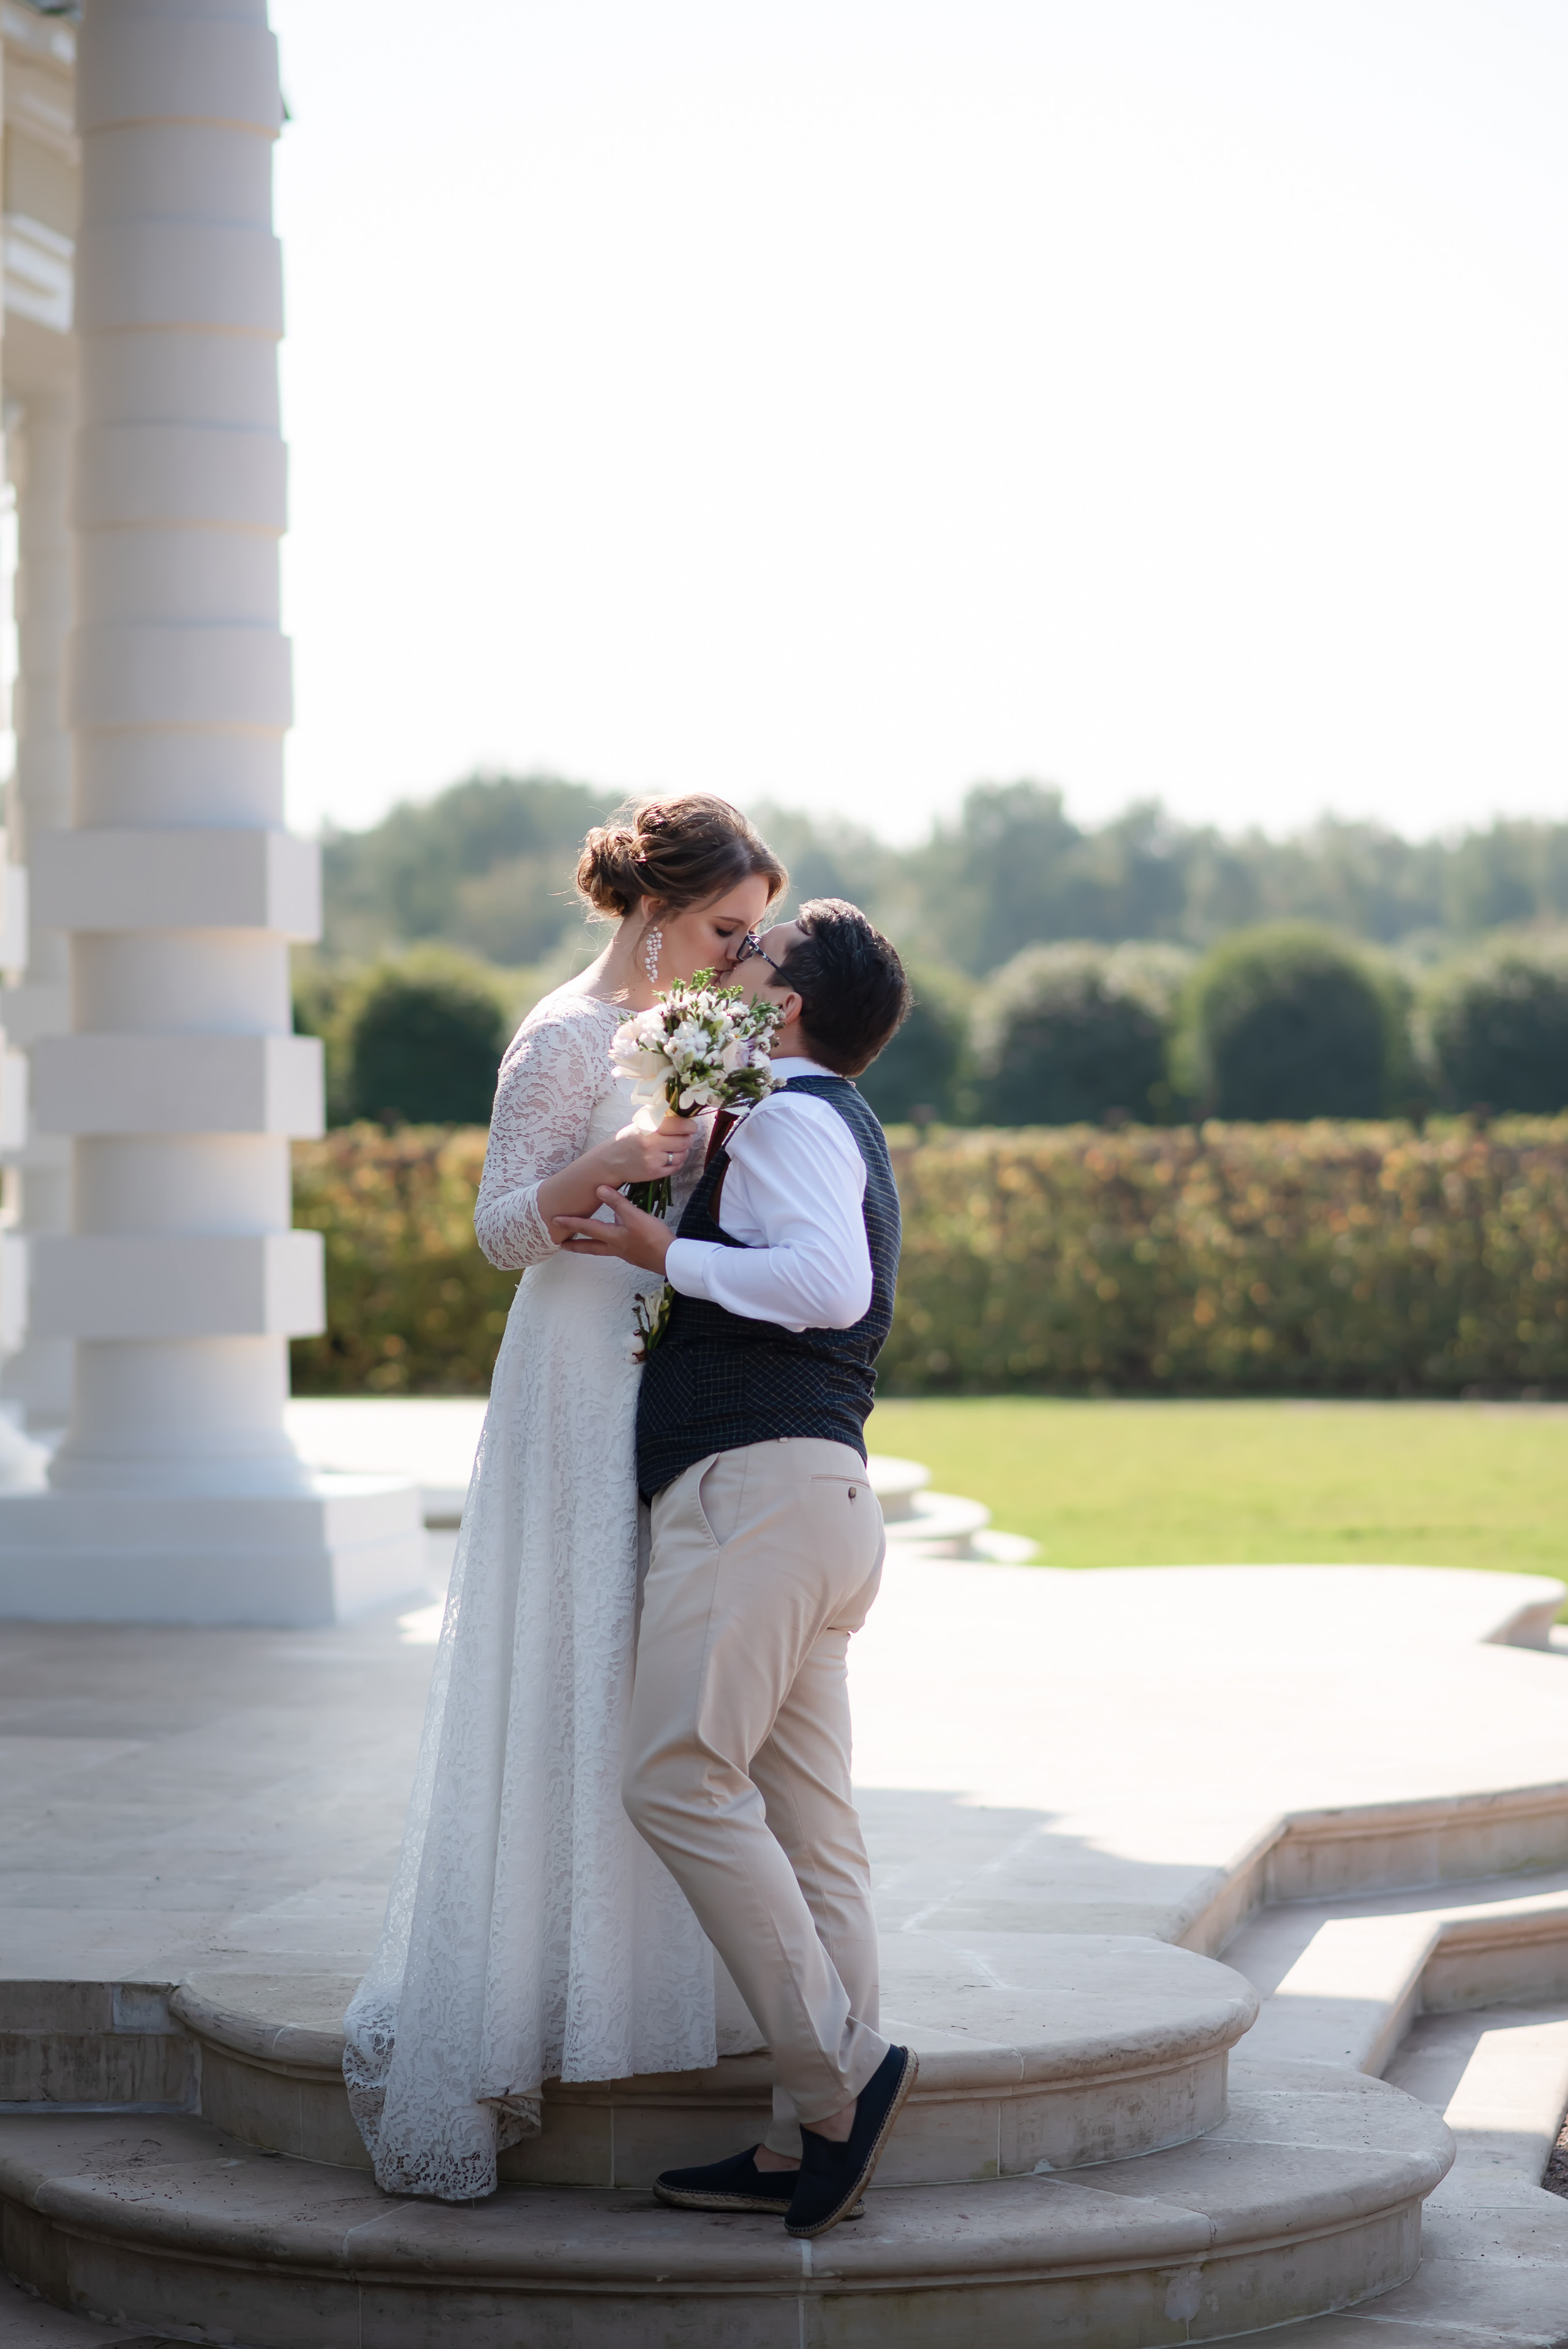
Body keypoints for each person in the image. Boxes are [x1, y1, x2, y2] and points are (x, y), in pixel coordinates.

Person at [342, 794, 786, 2203]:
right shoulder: (558, 1033)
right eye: (727, 927)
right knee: (563, 1660)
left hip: (666, 1371)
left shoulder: (716, 1034)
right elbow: (494, 1229)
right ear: (657, 911)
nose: (741, 952)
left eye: (756, 932)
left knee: (654, 1669)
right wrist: (607, 1163)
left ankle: (666, 1986)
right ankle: (525, 1994)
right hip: (568, 1378)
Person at [553, 898, 916, 2239]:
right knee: (814, 1833)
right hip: (814, 1501)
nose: (728, 963)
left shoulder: (794, 1118)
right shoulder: (809, 1119)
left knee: (674, 1776)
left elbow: (827, 1284)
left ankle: (839, 2078)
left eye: (749, 957)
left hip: (759, 1494)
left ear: (787, 1008)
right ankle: (804, 2145)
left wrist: (662, 1250)